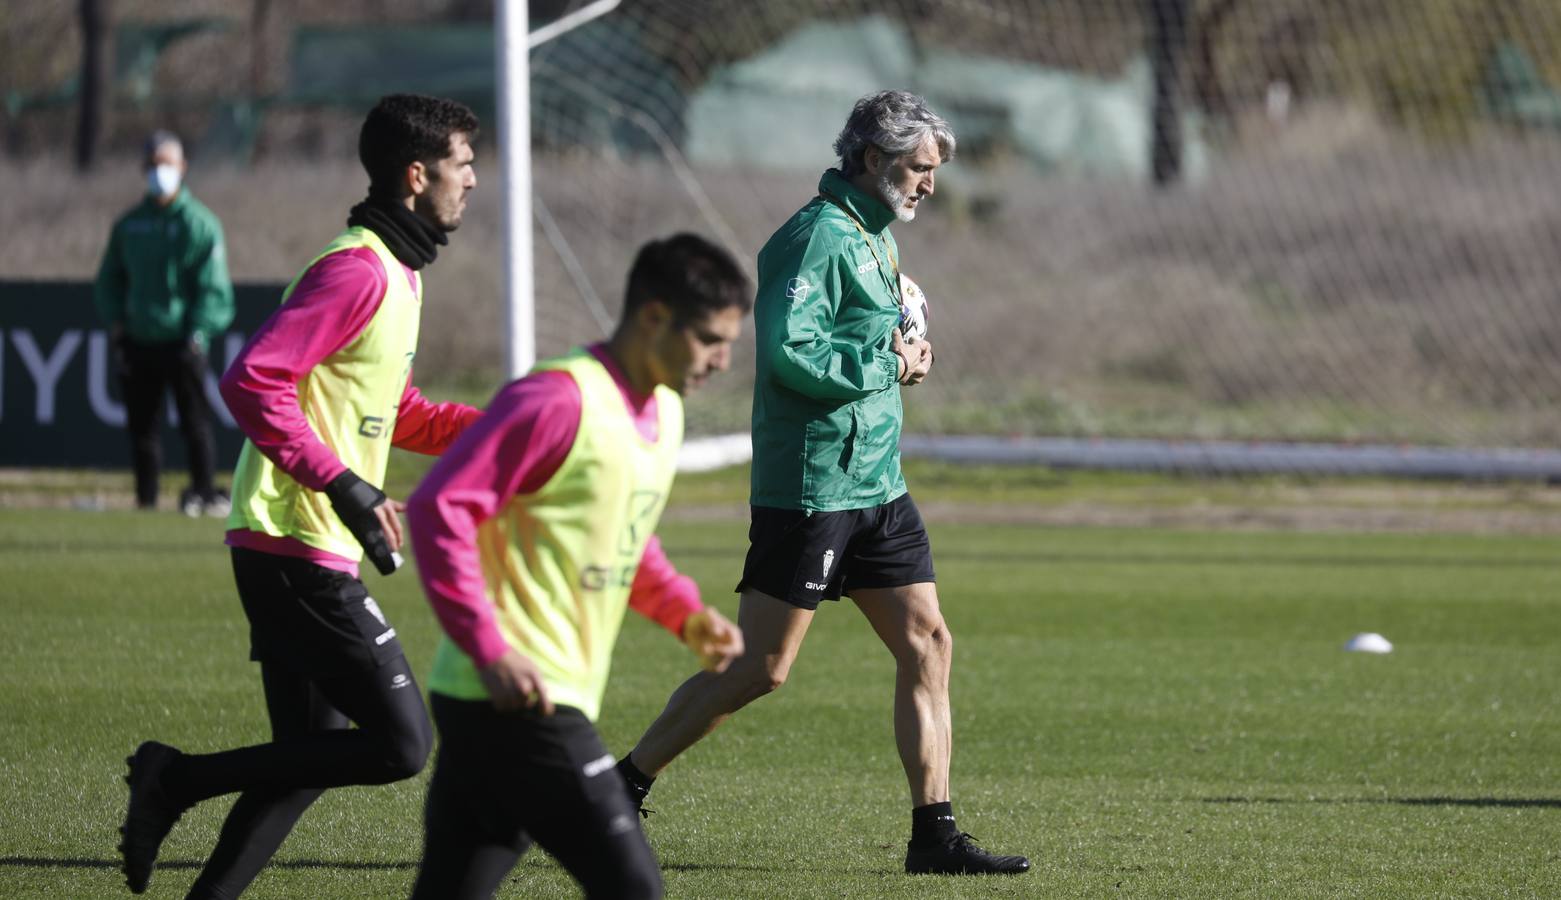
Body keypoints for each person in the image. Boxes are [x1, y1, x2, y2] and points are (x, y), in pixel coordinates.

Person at [614, 90, 1031, 876]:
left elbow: (870, 339)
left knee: (929, 643)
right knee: (760, 669)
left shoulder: (875, 236)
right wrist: (885, 363)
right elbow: (787, 355)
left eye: (934, 170)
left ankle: (933, 836)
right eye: (918, 168)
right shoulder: (815, 238)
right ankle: (621, 783)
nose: (929, 186)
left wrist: (906, 348)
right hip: (812, 486)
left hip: (877, 483)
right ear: (872, 160)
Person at [116, 94, 485, 898]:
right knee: (399, 747)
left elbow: (395, 412)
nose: (475, 180)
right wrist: (345, 485)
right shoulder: (357, 269)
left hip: (302, 541)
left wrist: (496, 428)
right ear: (417, 176)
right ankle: (173, 779)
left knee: (305, 759)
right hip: (295, 544)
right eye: (463, 163)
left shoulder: (397, 273)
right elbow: (252, 381)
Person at [404, 233, 750, 900]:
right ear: (654, 318)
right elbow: (437, 509)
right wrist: (489, 648)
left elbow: (623, 535)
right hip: (521, 698)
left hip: (499, 701)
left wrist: (684, 614)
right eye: (710, 340)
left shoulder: (664, 412)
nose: (723, 361)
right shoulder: (555, 400)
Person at [93, 129, 235, 516]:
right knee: (143, 428)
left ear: (183, 168)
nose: (161, 172)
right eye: (154, 165)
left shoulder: (199, 224)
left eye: (168, 164)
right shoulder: (129, 225)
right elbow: (109, 280)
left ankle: (204, 493)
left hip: (182, 341)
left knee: (195, 423)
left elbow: (214, 289)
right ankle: (146, 500)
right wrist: (118, 324)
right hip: (139, 339)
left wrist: (198, 330)